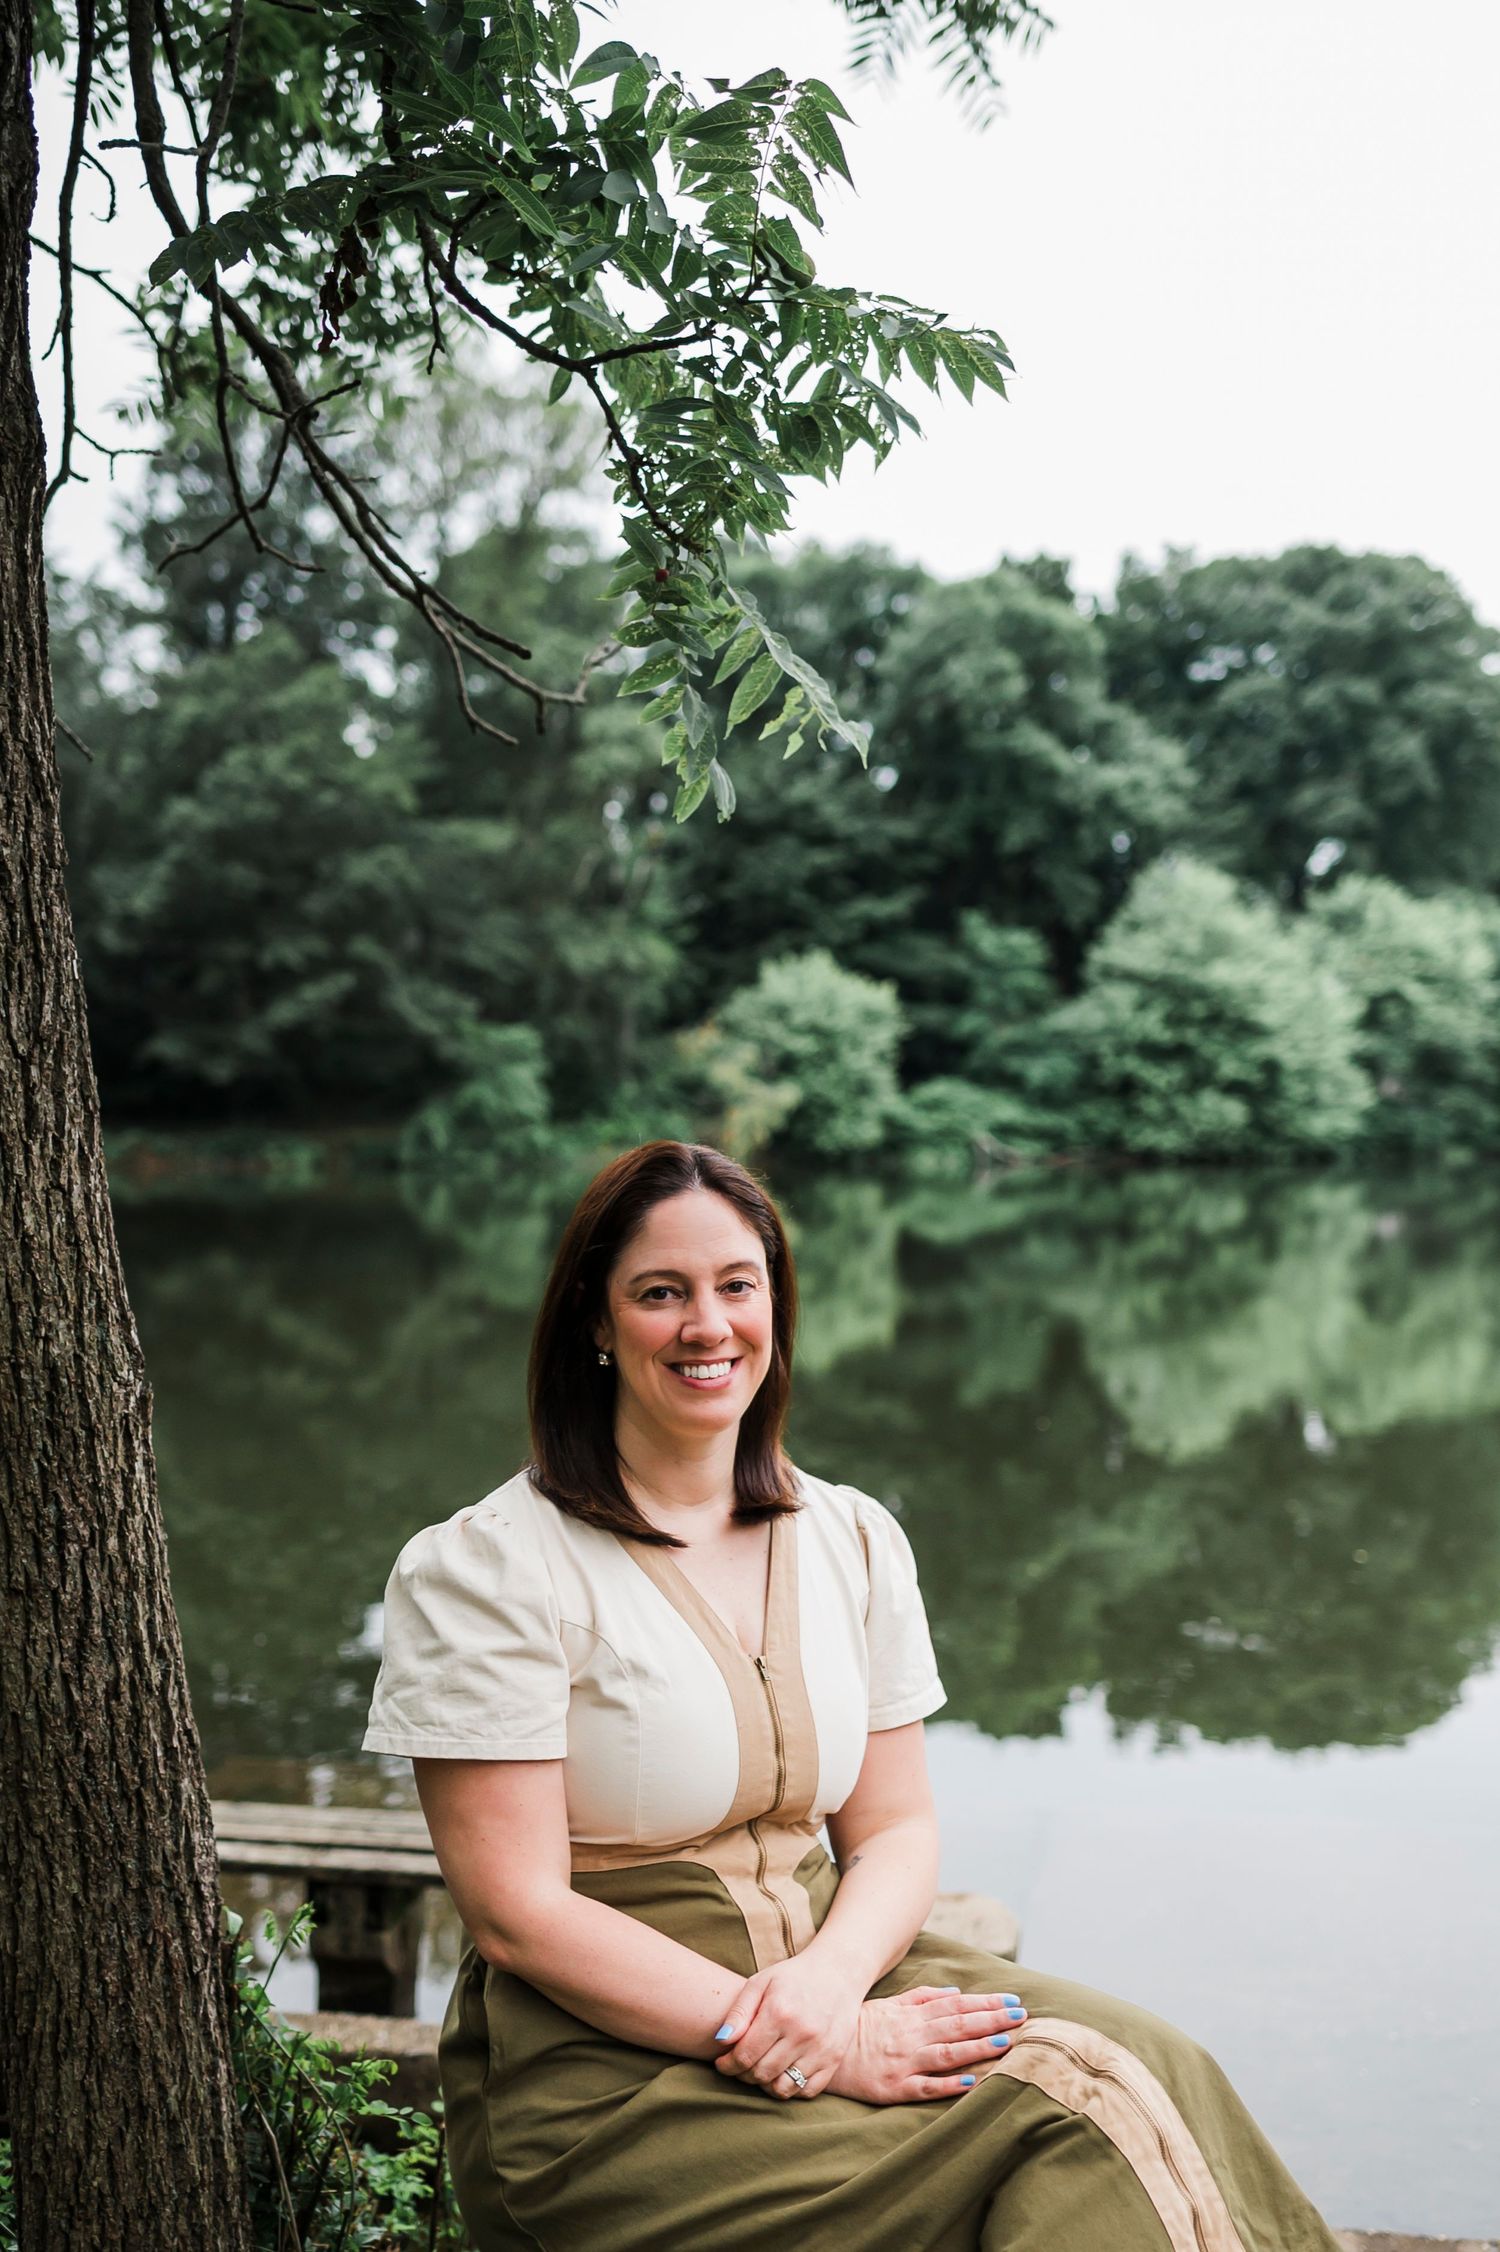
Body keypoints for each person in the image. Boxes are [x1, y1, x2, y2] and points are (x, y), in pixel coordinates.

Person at [362, 1140, 1342, 2252]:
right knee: (1073, 2115)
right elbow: (517, 1914)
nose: (706, 1324)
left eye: (737, 1284)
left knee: (1160, 2063)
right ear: (595, 1319)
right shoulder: (488, 1567)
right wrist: (818, 2039)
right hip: (613, 2067)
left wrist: (831, 1986)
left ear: (775, 1303)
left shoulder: (851, 1536)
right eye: (659, 1292)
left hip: (839, 1965)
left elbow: (896, 1826)